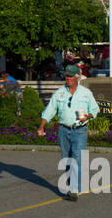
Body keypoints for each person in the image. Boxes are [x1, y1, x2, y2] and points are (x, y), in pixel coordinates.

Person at [37, 67, 99, 202]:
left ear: (77, 77)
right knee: (67, 159)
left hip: (80, 130)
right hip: (63, 130)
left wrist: (87, 116)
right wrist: (41, 126)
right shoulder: (59, 93)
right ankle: (73, 183)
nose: (68, 79)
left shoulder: (86, 93)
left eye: (71, 76)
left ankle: (74, 188)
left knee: (77, 157)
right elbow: (49, 110)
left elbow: (95, 110)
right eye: (66, 76)